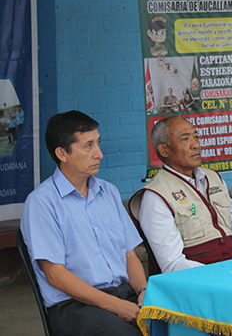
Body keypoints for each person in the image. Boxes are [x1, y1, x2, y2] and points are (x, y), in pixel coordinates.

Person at [20, 110, 147, 336]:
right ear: (62, 153)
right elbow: (55, 274)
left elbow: (129, 254)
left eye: (98, 143)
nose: (99, 154)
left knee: (181, 323)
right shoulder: (42, 202)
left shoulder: (108, 192)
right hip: (75, 307)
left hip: (124, 294)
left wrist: (143, 290)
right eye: (88, 146)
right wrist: (117, 306)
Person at [128, 116, 232, 273]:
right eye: (185, 139)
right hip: (198, 282)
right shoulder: (156, 195)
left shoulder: (214, 179)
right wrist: (220, 274)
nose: (195, 145)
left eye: (196, 137)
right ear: (164, 150)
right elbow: (172, 264)